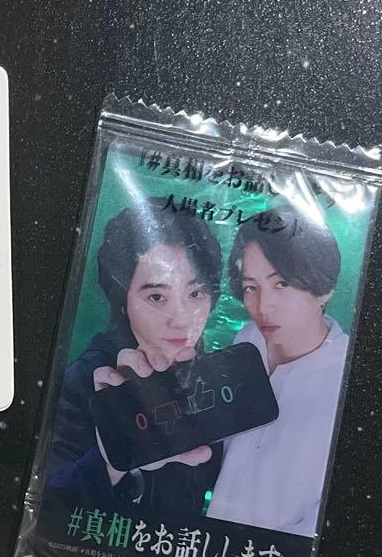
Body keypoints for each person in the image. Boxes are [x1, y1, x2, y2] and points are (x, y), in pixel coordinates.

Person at [47, 197, 223, 512]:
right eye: (156, 296)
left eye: (196, 293)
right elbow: (44, 508)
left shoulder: (215, 378)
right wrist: (112, 463)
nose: (181, 319)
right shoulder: (86, 380)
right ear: (122, 299)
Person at [206, 207, 347, 536]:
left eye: (281, 283)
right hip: (207, 546)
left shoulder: (347, 381)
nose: (263, 306)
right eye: (250, 287)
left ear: (324, 289)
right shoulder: (248, 340)